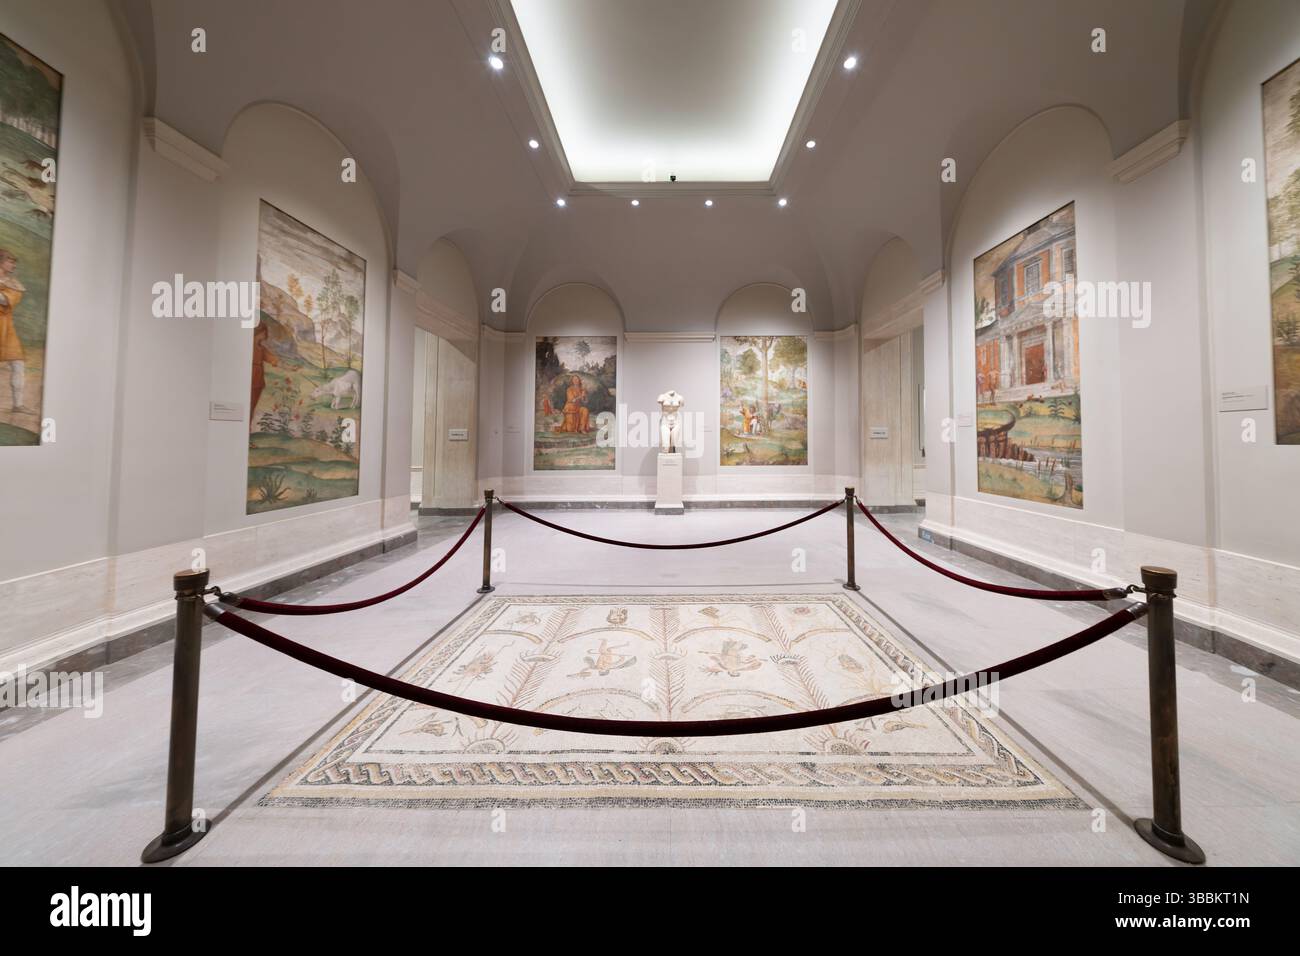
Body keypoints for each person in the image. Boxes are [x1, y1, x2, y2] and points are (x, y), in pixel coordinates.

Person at [0, 248, 31, 414]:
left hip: (6, 327)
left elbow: (5, 300)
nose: (13, 265)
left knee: (18, 363)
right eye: (10, 261)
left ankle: (17, 405)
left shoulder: (13, 284)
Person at [249, 320, 280, 415]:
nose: (266, 336)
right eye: (264, 333)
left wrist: (291, 367)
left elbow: (274, 360)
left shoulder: (261, 349)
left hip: (257, 380)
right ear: (259, 332)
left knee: (252, 406)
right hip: (250, 378)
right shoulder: (248, 346)